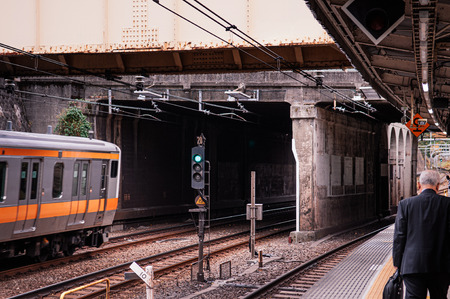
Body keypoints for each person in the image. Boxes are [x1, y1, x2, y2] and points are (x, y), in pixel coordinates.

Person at [393, 170, 450, 299]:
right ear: (438, 186)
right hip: (441, 266)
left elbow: (399, 236)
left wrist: (397, 262)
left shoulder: (405, 205)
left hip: (413, 265)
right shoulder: (447, 204)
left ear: (419, 185)